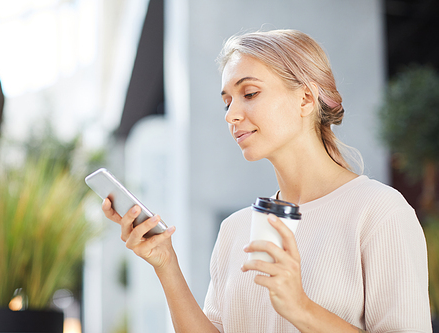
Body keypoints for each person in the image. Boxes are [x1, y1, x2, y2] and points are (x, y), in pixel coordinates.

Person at [102, 29, 432, 332]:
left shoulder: (377, 211)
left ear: (305, 99)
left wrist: (300, 308)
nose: (231, 114)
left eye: (249, 93)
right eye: (227, 101)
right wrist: (167, 265)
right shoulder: (235, 230)